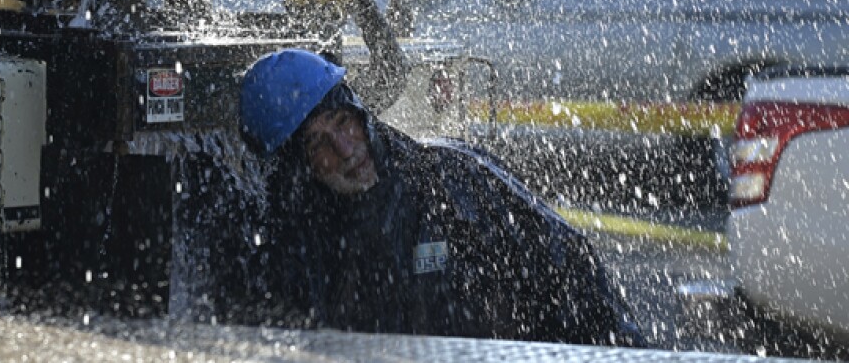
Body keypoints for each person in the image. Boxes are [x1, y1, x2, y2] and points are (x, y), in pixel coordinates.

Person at [239, 48, 647, 346]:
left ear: (362, 114)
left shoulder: (451, 180)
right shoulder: (295, 246)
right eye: (319, 145)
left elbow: (569, 267)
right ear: (299, 171)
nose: (346, 150)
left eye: (344, 122)